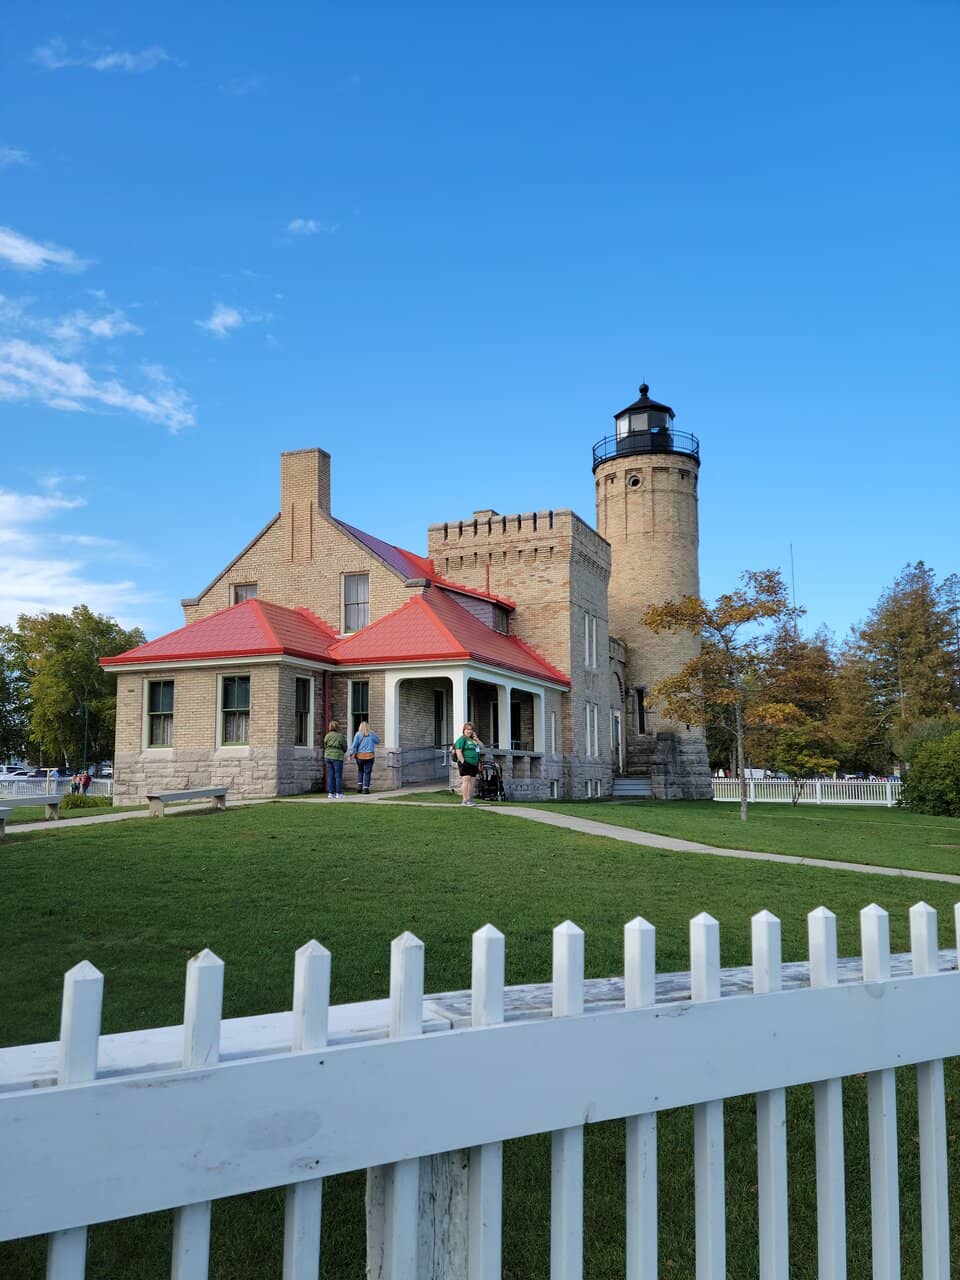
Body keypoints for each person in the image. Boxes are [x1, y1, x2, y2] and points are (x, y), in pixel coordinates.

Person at [453, 722, 484, 806]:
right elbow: (458, 751)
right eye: (467, 729)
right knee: (466, 781)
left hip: (474, 764)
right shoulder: (462, 739)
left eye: (471, 729)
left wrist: (476, 739)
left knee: (472, 782)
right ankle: (464, 800)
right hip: (466, 763)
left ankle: (469, 799)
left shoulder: (473, 741)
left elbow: (481, 747)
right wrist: (463, 762)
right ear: (464, 730)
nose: (469, 731)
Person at [348, 720, 381, 794]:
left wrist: (350, 754)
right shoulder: (371, 734)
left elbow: (354, 745)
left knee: (360, 771)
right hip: (370, 756)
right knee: (367, 772)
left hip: (360, 756)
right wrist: (373, 733)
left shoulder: (358, 734)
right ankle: (366, 788)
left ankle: (359, 787)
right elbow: (378, 741)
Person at [323, 719, 347, 799]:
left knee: (330, 775)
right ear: (337, 727)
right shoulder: (340, 736)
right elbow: (344, 747)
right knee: (338, 776)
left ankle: (331, 793)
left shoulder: (327, 735)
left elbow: (325, 745)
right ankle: (338, 793)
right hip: (337, 757)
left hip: (328, 756)